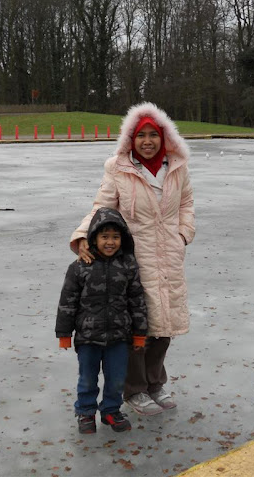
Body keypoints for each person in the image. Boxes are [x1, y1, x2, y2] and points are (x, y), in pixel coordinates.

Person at [70, 102, 195, 416]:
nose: (147, 141)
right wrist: (83, 235)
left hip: (169, 255)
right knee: (139, 325)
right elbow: (102, 206)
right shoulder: (118, 168)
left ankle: (155, 382)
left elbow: (187, 204)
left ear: (164, 137)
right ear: (131, 138)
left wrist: (183, 234)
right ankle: (135, 389)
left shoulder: (177, 166)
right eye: (141, 135)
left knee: (165, 327)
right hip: (134, 258)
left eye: (153, 135)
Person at [56, 207, 148, 434]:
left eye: (115, 237)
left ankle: (111, 410)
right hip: (88, 337)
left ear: (122, 239)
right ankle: (86, 412)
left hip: (119, 336)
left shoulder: (128, 265)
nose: (110, 242)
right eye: (104, 236)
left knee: (116, 378)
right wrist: (64, 334)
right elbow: (67, 301)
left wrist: (139, 334)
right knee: (87, 378)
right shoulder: (80, 267)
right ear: (93, 239)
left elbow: (137, 300)